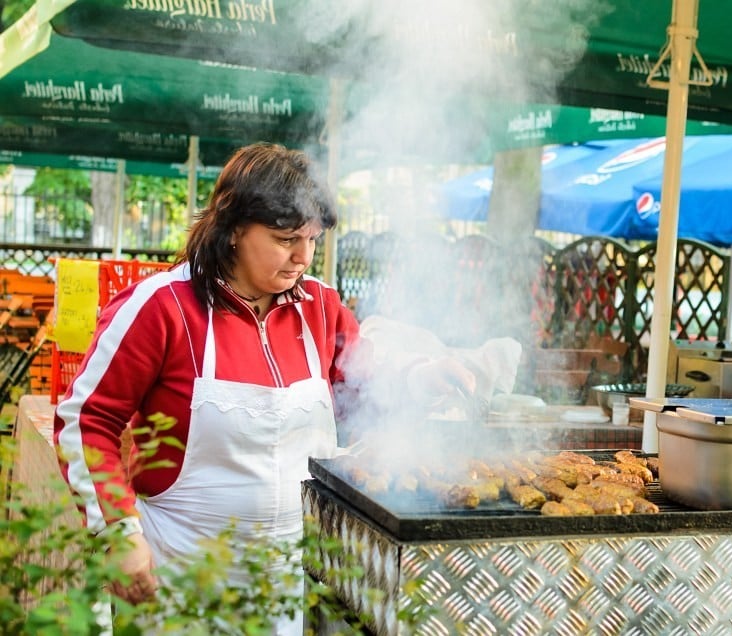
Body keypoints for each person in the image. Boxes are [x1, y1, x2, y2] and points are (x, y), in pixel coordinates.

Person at [53, 142, 476, 633]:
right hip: (179, 574)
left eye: (312, 239)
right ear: (232, 230)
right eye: (284, 238)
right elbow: (86, 421)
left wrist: (422, 377)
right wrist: (119, 533)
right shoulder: (162, 307)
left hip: (292, 581)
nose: (302, 256)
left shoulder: (320, 308)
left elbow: (365, 391)